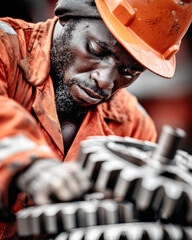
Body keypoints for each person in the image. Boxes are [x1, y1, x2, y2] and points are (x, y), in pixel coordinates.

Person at [0, 0, 191, 239]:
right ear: (67, 15)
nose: (105, 81)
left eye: (129, 71)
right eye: (97, 50)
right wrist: (32, 167)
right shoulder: (4, 47)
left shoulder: (132, 127)